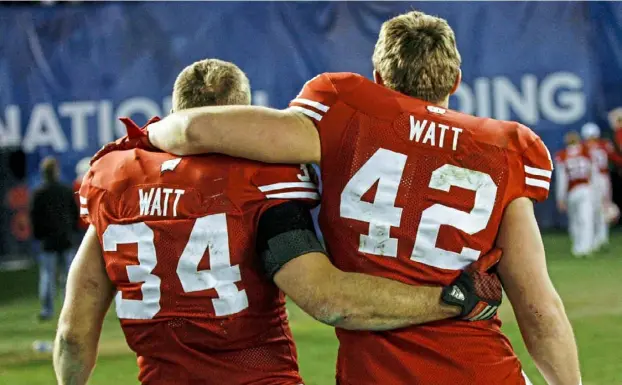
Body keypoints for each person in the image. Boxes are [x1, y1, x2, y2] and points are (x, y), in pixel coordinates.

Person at [147, 11, 582, 385]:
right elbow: (539, 310)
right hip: (483, 369)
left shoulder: (342, 110)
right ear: (455, 79)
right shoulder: (506, 149)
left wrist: (149, 134)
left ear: (378, 77)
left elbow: (194, 130)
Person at [53, 59, 502, 385]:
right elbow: (329, 301)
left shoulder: (114, 181)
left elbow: (74, 334)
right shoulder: (263, 182)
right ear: (239, 117)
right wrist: (452, 300)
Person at [29, 156, 78, 320]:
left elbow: (34, 218)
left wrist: (38, 236)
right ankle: (69, 310)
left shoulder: (39, 194)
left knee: (47, 276)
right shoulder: (65, 190)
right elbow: (74, 213)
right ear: (56, 172)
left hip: (47, 241)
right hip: (65, 238)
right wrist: (72, 231)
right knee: (69, 277)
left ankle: (47, 310)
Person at [581, 122, 622, 249]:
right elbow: (615, 158)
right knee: (601, 208)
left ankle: (598, 238)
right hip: (601, 178)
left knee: (598, 208)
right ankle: (600, 237)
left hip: (593, 179)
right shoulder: (604, 145)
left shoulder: (584, 147)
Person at [555, 131, 596, 257]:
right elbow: (593, 173)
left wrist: (560, 198)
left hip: (572, 191)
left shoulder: (562, 155)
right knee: (586, 219)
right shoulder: (586, 152)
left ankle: (577, 247)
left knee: (575, 220)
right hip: (586, 188)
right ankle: (586, 247)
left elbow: (562, 180)